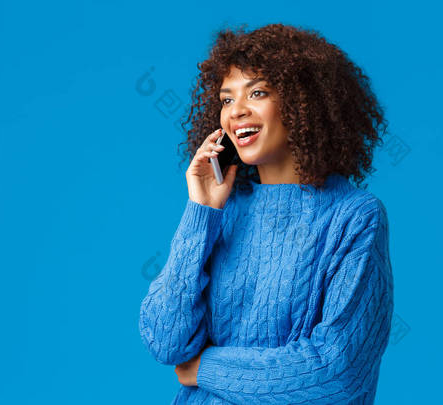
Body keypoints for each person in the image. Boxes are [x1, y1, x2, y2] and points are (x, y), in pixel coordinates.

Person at [139, 23, 394, 404]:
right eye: (226, 100)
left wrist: (205, 368)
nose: (237, 111)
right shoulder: (220, 211)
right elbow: (165, 340)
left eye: (257, 92)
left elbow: (337, 373)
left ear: (301, 101)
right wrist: (201, 211)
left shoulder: (354, 217)